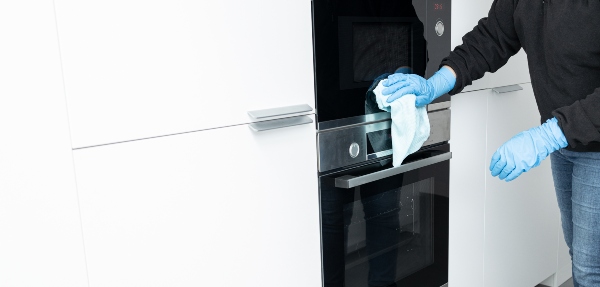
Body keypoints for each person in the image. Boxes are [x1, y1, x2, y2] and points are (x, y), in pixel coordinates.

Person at [380, 1, 600, 286]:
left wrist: (549, 135)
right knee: (581, 253)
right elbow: (491, 38)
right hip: (565, 139)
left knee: (589, 267)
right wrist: (435, 83)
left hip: (591, 141)